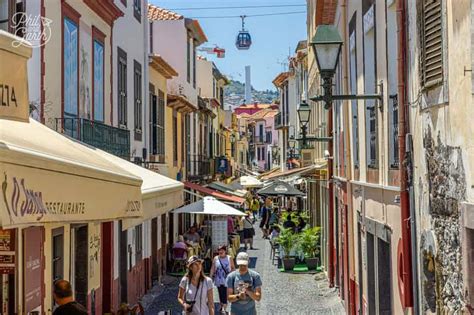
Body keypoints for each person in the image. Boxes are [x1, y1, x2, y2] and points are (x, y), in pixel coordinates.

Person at [210, 245, 235, 313]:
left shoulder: (229, 258)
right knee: (220, 293)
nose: (220, 252)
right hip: (218, 279)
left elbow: (233, 268)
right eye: (219, 250)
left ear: (225, 251)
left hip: (227, 279)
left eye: (222, 250)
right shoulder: (215, 258)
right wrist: (210, 277)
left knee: (225, 294)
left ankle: (224, 308)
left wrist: (233, 277)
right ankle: (222, 306)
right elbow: (213, 268)